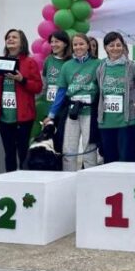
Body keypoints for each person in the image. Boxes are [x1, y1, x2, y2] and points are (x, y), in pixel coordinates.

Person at [45, 33, 99, 171]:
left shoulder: (98, 64)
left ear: (88, 45)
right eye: (75, 44)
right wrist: (51, 114)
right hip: (72, 112)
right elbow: (61, 92)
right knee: (68, 149)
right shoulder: (67, 66)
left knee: (89, 148)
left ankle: (90, 179)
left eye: (81, 44)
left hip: (90, 112)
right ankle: (68, 178)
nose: (78, 47)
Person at [0, 29, 43, 172]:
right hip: (4, 115)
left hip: (23, 116)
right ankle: (10, 179)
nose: (10, 39)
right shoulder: (1, 62)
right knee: (9, 153)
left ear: (22, 42)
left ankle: (24, 180)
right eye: (8, 37)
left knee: (23, 152)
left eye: (14, 37)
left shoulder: (29, 62)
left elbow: (38, 87)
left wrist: (22, 80)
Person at [95, 32, 135, 163]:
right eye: (111, 45)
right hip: (106, 121)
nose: (115, 48)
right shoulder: (101, 67)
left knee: (127, 160)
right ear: (106, 48)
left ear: (123, 46)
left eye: (118, 45)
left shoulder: (132, 66)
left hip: (127, 121)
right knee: (109, 161)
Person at [42, 30, 71, 153]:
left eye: (57, 41)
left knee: (61, 143)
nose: (53, 44)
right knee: (49, 143)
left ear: (65, 43)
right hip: (48, 107)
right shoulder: (48, 60)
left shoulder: (70, 62)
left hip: (64, 109)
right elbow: (44, 84)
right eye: (52, 42)